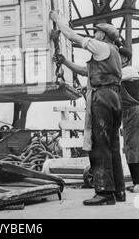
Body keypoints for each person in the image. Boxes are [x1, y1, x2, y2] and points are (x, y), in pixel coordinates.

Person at [50, 11, 125, 205]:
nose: (95, 35)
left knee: (100, 146)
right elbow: (86, 71)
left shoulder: (100, 46)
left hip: (103, 97)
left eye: (97, 32)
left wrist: (58, 21)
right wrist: (65, 62)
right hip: (115, 97)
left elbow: (73, 37)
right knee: (113, 146)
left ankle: (104, 193)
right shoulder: (112, 53)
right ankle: (118, 191)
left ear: (104, 36)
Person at [119, 46, 139, 192]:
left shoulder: (128, 70)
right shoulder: (123, 71)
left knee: (138, 146)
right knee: (131, 147)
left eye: (117, 56)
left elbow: (110, 79)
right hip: (130, 113)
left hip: (138, 111)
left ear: (125, 59)